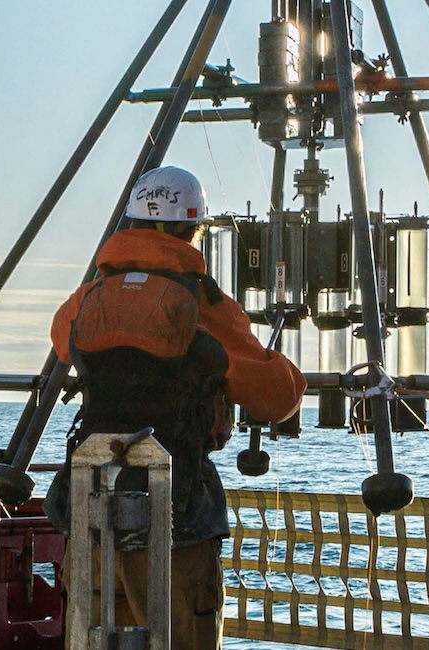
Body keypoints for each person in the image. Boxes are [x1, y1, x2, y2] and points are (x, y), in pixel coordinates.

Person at [47, 166, 306, 649]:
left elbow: (65, 343)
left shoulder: (87, 300)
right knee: (183, 630)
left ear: (129, 226)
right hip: (175, 509)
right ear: (194, 231)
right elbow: (276, 397)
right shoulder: (202, 304)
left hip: (92, 504)